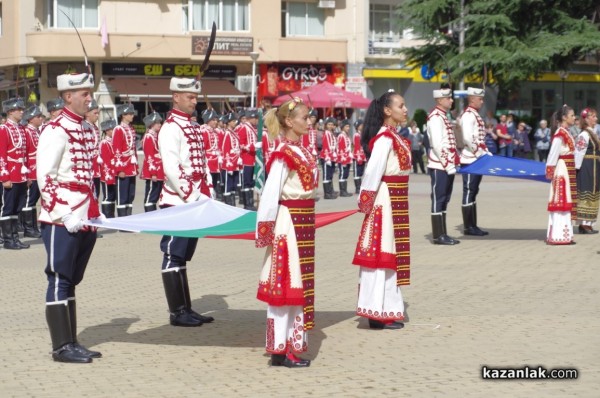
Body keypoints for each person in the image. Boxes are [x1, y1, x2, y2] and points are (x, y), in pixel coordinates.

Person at [37, 71, 102, 363]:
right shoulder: (55, 129)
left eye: (90, 93)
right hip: (60, 216)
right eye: (84, 94)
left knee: (71, 280)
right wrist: (64, 213)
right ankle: (61, 346)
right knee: (59, 277)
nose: (90, 98)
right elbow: (45, 177)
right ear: (67, 97)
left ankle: (72, 341)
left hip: (84, 213)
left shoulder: (88, 129)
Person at [257, 97, 317, 367]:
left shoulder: (301, 150)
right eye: (305, 118)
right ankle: (280, 349)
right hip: (289, 223)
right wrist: (267, 230)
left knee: (298, 286)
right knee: (286, 286)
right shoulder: (284, 153)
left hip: (303, 221)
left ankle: (291, 345)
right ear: (289, 122)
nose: (309, 122)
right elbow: (270, 194)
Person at [158, 77, 214, 327]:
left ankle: (186, 308)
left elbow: (201, 164)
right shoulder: (170, 128)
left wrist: (208, 193)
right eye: (190, 97)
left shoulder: (192, 126)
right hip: (178, 201)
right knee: (173, 253)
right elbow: (172, 168)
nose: (194, 101)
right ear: (175, 97)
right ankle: (177, 311)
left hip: (195, 199)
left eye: (195, 97)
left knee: (183, 256)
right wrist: (193, 197)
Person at [352, 90, 411, 330]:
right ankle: (375, 311)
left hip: (396, 201)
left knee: (390, 256)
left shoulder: (394, 136)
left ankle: (385, 308)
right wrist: (366, 203)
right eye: (401, 105)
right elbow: (373, 172)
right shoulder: (385, 138)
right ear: (388, 111)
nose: (405, 109)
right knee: (381, 256)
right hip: (385, 202)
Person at [427, 86, 461, 245]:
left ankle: (443, 233)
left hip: (446, 165)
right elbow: (437, 145)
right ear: (440, 100)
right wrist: (448, 165)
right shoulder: (435, 117)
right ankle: (437, 235)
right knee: (438, 199)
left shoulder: (443, 116)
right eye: (449, 98)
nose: (451, 100)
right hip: (439, 165)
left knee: (444, 199)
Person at [459, 87, 491, 236]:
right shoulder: (468, 115)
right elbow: (467, 138)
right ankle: (468, 226)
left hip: (476, 157)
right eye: (480, 99)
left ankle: (473, 224)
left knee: (473, 191)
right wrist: (479, 153)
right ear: (472, 99)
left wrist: (484, 152)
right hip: (471, 158)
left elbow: (479, 138)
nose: (482, 101)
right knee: (469, 191)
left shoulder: (474, 114)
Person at [0, 97, 30, 250]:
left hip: (21, 174)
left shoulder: (22, 129)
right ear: (10, 112)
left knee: (18, 206)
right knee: (8, 207)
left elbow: (26, 154)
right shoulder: (4, 129)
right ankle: (7, 239)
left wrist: (28, 175)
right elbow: (2, 154)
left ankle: (15, 238)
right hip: (10, 174)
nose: (22, 112)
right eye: (19, 109)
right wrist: (4, 176)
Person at [545, 105, 577, 245]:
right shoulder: (560, 133)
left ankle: (566, 235)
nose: (574, 118)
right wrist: (550, 171)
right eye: (572, 115)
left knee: (567, 198)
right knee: (562, 199)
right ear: (564, 117)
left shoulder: (566, 131)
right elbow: (553, 153)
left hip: (568, 168)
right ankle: (558, 235)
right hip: (562, 169)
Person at [574, 108, 600, 234]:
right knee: (586, 191)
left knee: (593, 192)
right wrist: (576, 170)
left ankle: (589, 223)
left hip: (594, 166)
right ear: (587, 119)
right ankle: (583, 224)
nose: (596, 118)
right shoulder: (584, 134)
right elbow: (578, 153)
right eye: (593, 116)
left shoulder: (592, 132)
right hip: (586, 167)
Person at [21, 105, 44, 238]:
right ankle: (28, 228)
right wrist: (27, 174)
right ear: (30, 119)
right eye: (38, 117)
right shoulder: (27, 132)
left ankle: (34, 227)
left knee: (34, 200)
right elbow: (24, 154)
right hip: (31, 170)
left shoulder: (36, 131)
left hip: (38, 170)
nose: (40, 119)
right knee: (29, 201)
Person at [112, 104, 138, 217]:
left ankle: (129, 219)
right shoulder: (119, 129)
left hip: (131, 166)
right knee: (122, 195)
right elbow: (117, 150)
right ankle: (122, 220)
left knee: (130, 194)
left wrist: (136, 165)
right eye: (130, 114)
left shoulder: (131, 128)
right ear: (123, 115)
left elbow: (133, 149)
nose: (132, 116)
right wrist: (120, 169)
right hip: (123, 166)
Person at [237, 109, 260, 210]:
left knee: (251, 182)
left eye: (256, 118)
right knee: (246, 182)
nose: (256, 120)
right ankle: (247, 204)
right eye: (254, 118)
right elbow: (239, 144)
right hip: (246, 159)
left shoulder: (254, 128)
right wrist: (251, 147)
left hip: (253, 159)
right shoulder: (243, 128)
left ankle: (251, 202)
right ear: (249, 118)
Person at [140, 111, 164, 212]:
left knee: (155, 196)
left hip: (159, 171)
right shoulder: (149, 137)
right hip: (152, 171)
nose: (160, 125)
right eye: (158, 123)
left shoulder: (156, 136)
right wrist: (153, 173)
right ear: (152, 124)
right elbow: (149, 156)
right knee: (150, 196)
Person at [200, 109, 223, 201]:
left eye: (216, 119)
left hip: (215, 162)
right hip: (208, 162)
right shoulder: (204, 131)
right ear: (208, 120)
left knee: (214, 182)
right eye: (213, 119)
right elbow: (202, 148)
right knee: (209, 183)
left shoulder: (214, 132)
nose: (216, 122)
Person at [83, 100, 102, 210]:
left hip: (96, 167)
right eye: (95, 113)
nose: (97, 115)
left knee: (96, 193)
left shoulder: (94, 127)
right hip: (88, 166)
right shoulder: (84, 126)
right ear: (87, 113)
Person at [221, 112, 241, 207]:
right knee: (228, 187)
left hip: (235, 162)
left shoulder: (234, 133)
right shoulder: (227, 134)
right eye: (233, 121)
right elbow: (225, 149)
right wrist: (228, 164)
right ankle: (228, 205)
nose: (235, 122)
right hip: (230, 164)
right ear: (229, 122)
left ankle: (233, 205)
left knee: (233, 185)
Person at [99, 120, 117, 218]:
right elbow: (106, 161)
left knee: (113, 196)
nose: (113, 131)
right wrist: (108, 175)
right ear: (106, 131)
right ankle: (107, 216)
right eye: (111, 129)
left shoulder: (113, 142)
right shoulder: (104, 143)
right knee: (107, 196)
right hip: (107, 174)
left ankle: (111, 216)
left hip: (113, 173)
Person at [319, 117, 338, 199]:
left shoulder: (331, 133)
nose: (330, 126)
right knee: (326, 175)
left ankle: (330, 191)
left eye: (332, 124)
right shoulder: (326, 133)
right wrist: (327, 157)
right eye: (329, 124)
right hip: (327, 157)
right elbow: (326, 145)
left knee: (330, 175)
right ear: (326, 125)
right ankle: (327, 193)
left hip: (332, 157)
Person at [336, 120, 353, 197]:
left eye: (349, 126)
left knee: (345, 174)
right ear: (342, 127)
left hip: (347, 158)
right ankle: (342, 191)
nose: (348, 128)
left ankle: (345, 190)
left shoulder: (346, 135)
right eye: (346, 126)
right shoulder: (341, 136)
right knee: (342, 174)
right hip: (343, 159)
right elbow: (341, 148)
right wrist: (343, 159)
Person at [352, 119, 367, 194]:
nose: (362, 126)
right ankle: (357, 188)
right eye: (361, 125)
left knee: (361, 172)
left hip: (363, 156)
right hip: (358, 156)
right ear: (357, 127)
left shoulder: (362, 134)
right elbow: (357, 147)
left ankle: (360, 186)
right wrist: (358, 157)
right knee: (357, 173)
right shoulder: (356, 135)